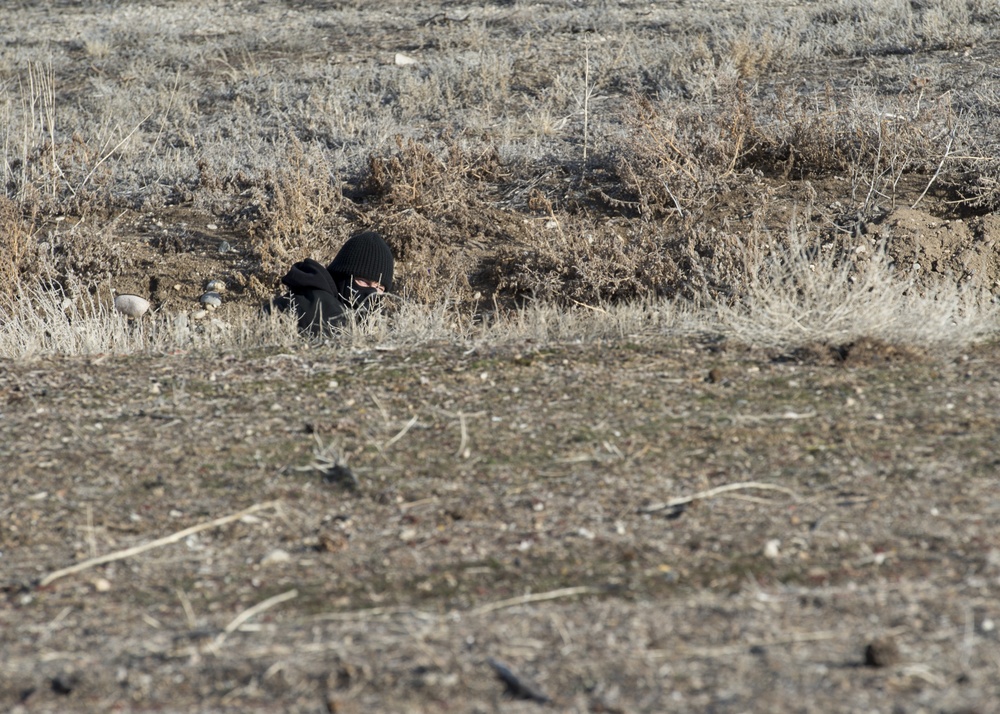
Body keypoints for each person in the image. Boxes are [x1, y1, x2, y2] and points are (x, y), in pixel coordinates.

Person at [271, 230, 394, 334]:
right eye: (362, 281)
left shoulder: (343, 311)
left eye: (379, 288)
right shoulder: (318, 306)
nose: (371, 293)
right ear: (340, 277)